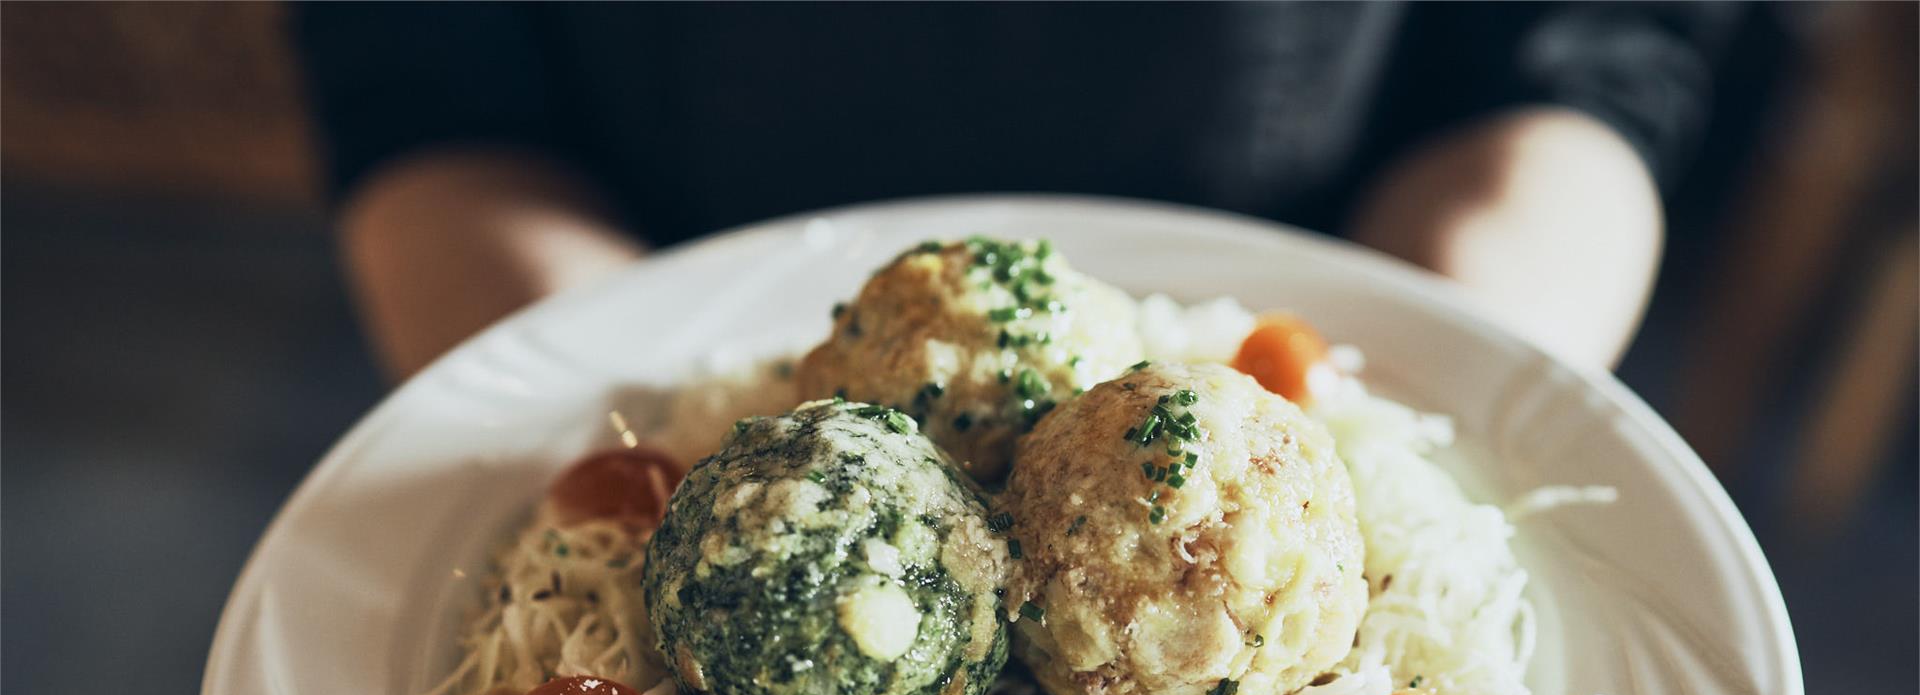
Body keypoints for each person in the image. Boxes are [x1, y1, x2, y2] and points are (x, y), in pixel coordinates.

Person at [294, 2, 1735, 381]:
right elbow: (430, 90)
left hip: (1303, 334)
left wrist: (1417, 409)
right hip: (668, 328)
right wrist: (619, 432)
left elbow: (1587, 65)